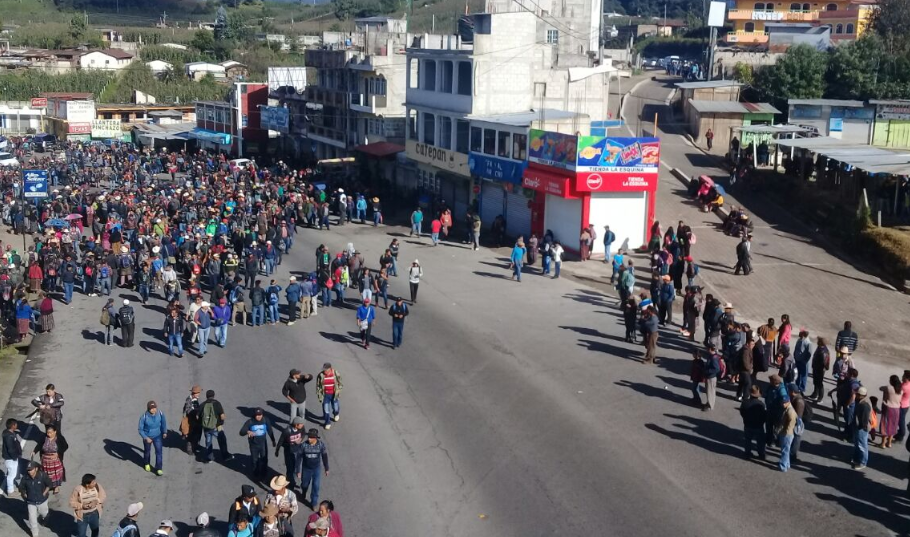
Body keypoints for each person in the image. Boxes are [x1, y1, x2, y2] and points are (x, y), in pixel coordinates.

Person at [239, 408, 277, 480]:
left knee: (264, 459)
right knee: (254, 460)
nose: (259, 417)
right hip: (254, 445)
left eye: (260, 415)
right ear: (254, 415)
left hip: (263, 444)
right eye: (257, 415)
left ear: (262, 415)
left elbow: (269, 430)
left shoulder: (265, 420)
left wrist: (273, 440)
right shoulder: (250, 422)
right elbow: (241, 432)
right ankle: (255, 474)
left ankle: (264, 474)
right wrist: (248, 432)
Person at [199, 389, 232, 464]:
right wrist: (221, 422)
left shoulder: (203, 404)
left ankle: (209, 458)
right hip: (216, 427)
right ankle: (225, 456)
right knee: (222, 440)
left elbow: (198, 416)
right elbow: (222, 416)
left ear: (206, 396)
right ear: (213, 396)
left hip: (206, 427)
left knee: (208, 442)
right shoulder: (217, 403)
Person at [33, 423, 67, 494]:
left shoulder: (59, 438)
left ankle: (56, 487)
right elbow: (39, 445)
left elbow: (65, 446)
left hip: (55, 460)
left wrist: (58, 453)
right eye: (48, 432)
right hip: (45, 460)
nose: (49, 434)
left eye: (50, 433)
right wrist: (34, 451)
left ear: (55, 432)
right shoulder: (44, 437)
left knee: (55, 474)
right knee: (46, 474)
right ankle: (48, 485)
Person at [19, 461, 51, 537]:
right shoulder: (25, 478)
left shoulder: (42, 475)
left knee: (44, 512)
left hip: (42, 500)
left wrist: (45, 492)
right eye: (28, 470)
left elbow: (49, 484)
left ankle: (45, 517)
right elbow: (21, 487)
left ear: (36, 469)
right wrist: (24, 494)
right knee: (32, 519)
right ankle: (35, 534)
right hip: (31, 502)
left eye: (31, 469)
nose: (29, 471)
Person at [69, 473, 106, 537]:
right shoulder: (78, 489)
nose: (95, 483)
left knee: (95, 531)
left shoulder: (97, 486)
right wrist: (82, 506)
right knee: (81, 534)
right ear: (87, 485)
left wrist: (96, 501)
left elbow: (103, 496)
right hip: (82, 516)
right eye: (93, 482)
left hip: (94, 514)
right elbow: (71, 502)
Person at [300, 429, 329, 510]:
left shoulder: (321, 445)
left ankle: (314, 503)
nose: (309, 439)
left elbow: (324, 456)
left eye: (311, 437)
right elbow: (299, 457)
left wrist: (326, 468)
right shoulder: (304, 445)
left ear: (315, 438)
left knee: (316, 486)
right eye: (309, 437)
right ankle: (304, 491)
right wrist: (298, 470)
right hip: (306, 469)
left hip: (316, 469)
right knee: (304, 484)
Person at [276, 417, 307, 491]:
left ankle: (292, 481)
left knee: (296, 467)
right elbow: (280, 441)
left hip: (298, 451)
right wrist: (277, 450)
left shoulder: (301, 428)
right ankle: (291, 483)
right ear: (296, 425)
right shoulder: (287, 431)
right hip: (289, 452)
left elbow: (303, 434)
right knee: (290, 468)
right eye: (301, 424)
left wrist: (300, 439)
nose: (302, 425)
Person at [138, 401, 166, 476]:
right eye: (151, 408)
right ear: (148, 409)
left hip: (158, 436)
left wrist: (164, 432)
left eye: (154, 408)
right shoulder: (144, 417)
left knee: (159, 452)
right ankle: (147, 463)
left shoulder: (160, 413)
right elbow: (140, 429)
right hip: (148, 437)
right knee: (147, 452)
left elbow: (163, 423)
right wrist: (146, 437)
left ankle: (159, 468)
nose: (153, 410)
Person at [740, 385, 767, 460]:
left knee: (747, 440)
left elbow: (742, 412)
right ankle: (761, 454)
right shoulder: (761, 404)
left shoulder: (745, 403)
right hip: (758, 426)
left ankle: (747, 453)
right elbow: (764, 416)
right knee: (760, 441)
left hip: (748, 424)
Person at [316, 363, 342, 430]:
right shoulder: (321, 375)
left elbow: (340, 382)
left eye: (326, 370)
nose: (324, 371)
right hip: (325, 395)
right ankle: (327, 422)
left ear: (330, 369)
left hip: (334, 394)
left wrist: (339, 390)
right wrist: (319, 394)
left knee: (335, 407)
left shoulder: (335, 373)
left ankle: (336, 414)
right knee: (326, 409)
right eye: (324, 370)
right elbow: (318, 385)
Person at [853, 386, 873, 469]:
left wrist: (860, 427)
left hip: (862, 428)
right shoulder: (860, 401)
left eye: (857, 394)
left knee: (862, 446)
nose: (855, 395)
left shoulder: (864, 405)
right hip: (859, 427)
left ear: (861, 395)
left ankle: (862, 462)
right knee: (858, 444)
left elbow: (864, 421)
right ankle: (857, 458)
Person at [880, 375, 902, 448]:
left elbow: (880, 388)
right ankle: (889, 443)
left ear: (891, 381)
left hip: (888, 408)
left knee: (885, 425)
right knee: (893, 426)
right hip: (896, 409)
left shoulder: (889, 388)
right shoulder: (900, 389)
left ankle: (883, 443)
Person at [3, 418, 22, 496]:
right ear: (13, 425)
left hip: (10, 458)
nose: (17, 425)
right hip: (11, 458)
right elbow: (11, 449)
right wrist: (15, 457)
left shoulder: (8, 433)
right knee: (11, 475)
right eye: (16, 424)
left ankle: (11, 489)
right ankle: (10, 491)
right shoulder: (9, 437)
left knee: (12, 473)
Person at [777, 398, 797, 472]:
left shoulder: (790, 411)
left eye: (784, 403)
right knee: (786, 450)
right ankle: (787, 464)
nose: (783, 404)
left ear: (788, 402)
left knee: (785, 450)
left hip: (787, 434)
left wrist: (785, 432)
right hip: (787, 433)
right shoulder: (788, 409)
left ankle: (783, 466)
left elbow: (790, 423)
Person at [182, 386, 203, 455]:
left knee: (198, 434)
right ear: (194, 393)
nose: (199, 394)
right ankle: (189, 449)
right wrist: (195, 412)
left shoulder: (195, 399)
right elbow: (187, 410)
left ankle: (196, 445)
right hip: (191, 421)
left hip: (197, 420)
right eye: (198, 393)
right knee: (190, 435)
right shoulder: (189, 399)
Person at [810, 337, 830, 401]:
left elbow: (823, 362)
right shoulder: (819, 348)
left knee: (819, 383)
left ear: (821, 342)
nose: (817, 342)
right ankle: (815, 394)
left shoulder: (823, 351)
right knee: (815, 381)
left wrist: (819, 367)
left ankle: (820, 397)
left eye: (818, 341)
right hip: (816, 367)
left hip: (820, 369)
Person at [703, 345, 722, 411]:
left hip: (711, 377)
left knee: (710, 391)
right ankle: (709, 403)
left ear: (710, 349)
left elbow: (717, 369)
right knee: (710, 391)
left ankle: (710, 405)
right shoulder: (714, 356)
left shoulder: (713, 358)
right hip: (711, 377)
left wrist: (708, 371)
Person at [897, 370, 910, 443]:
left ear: (907, 378)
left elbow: (898, 394)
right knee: (901, 420)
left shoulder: (904, 387)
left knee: (900, 421)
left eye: (904, 376)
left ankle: (901, 434)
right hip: (906, 404)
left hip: (902, 406)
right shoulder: (907, 384)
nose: (902, 376)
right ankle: (900, 433)